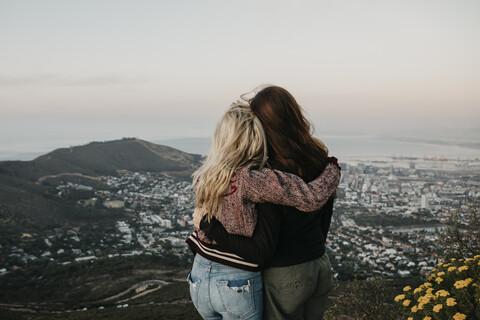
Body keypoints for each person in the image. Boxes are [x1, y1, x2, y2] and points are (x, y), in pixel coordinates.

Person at [186, 102, 340, 320]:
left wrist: (206, 226)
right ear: (255, 137)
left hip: (199, 277)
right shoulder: (254, 178)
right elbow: (311, 197)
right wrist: (332, 169)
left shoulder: (204, 176)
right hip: (235, 282)